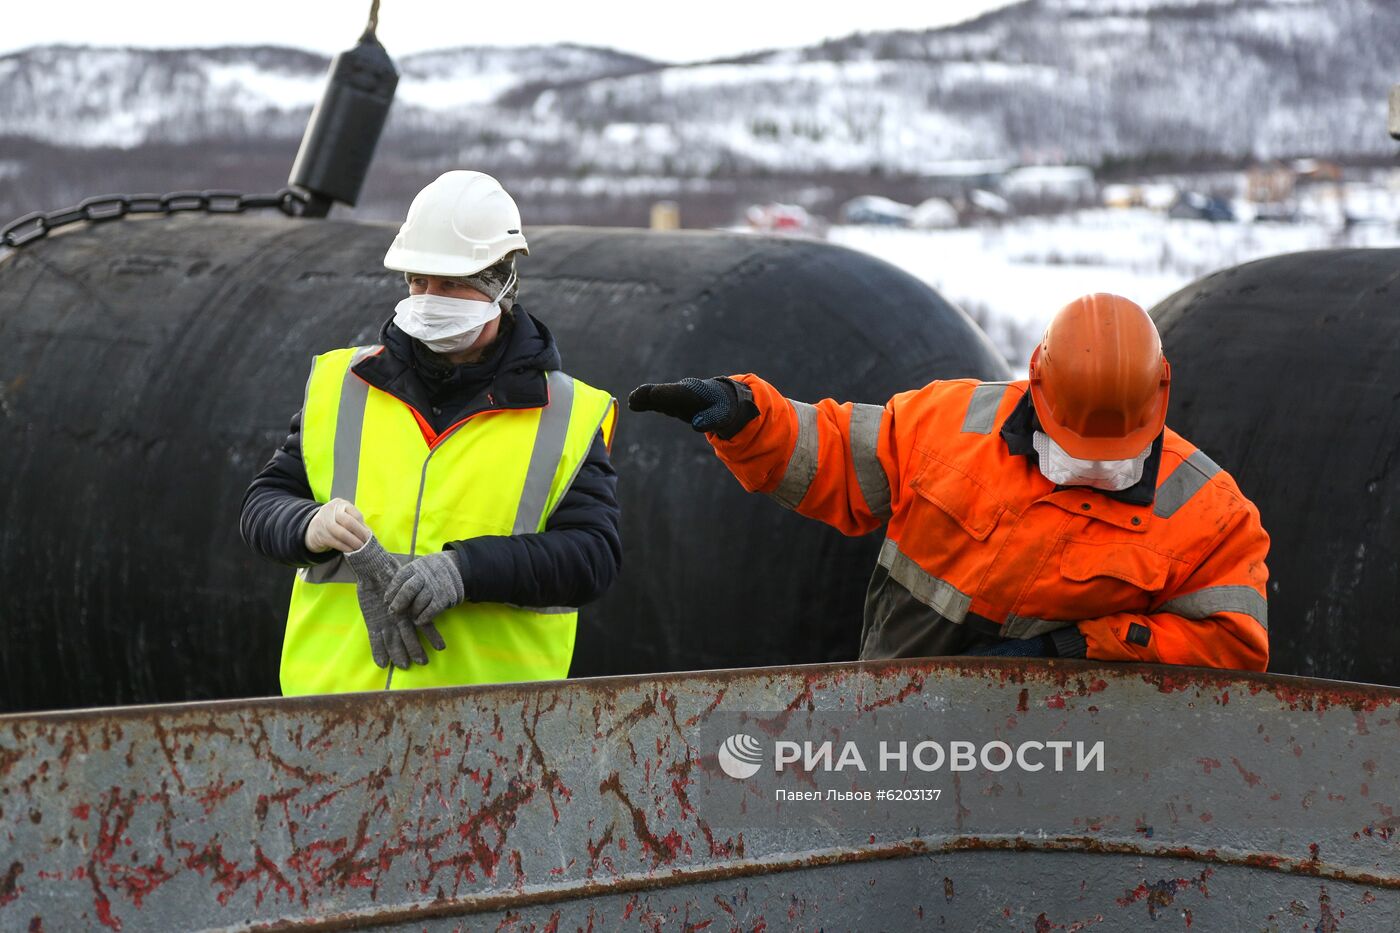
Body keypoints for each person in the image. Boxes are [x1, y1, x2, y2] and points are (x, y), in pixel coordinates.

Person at [629, 293, 1269, 670]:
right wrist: (749, 416)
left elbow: (1233, 645)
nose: (1090, 467)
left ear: (1160, 396)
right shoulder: (947, 425)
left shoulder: (1212, 516)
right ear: (1035, 383)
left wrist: (1077, 650)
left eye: (1111, 457)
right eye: (1074, 448)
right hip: (897, 735)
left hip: (1069, 775)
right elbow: (836, 456)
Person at [241, 170, 621, 695]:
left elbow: (592, 556)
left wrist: (467, 570)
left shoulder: (566, 413)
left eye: (449, 283)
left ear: (500, 284)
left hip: (489, 732)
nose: (427, 297)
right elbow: (263, 505)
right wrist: (310, 525)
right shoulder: (342, 385)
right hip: (330, 721)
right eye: (418, 281)